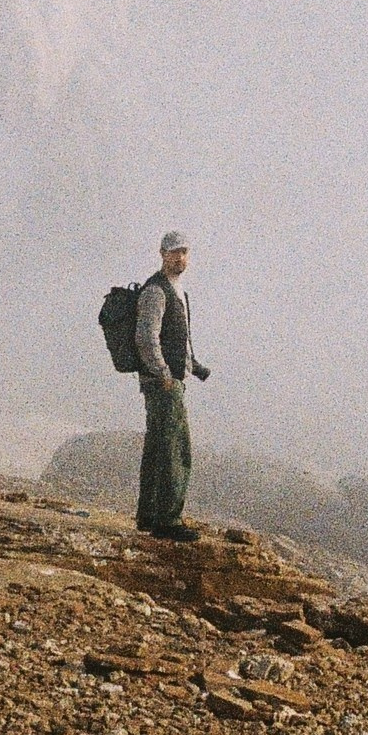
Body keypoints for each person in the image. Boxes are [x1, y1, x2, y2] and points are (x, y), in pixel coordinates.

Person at [134, 230, 209, 538]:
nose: (180, 258)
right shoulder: (156, 291)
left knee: (157, 447)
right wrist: (164, 374)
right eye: (174, 252)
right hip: (163, 384)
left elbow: (179, 338)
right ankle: (168, 521)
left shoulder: (177, 291)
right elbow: (146, 338)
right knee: (176, 449)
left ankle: (149, 516)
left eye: (184, 252)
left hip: (169, 379)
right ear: (162, 254)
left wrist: (194, 367)